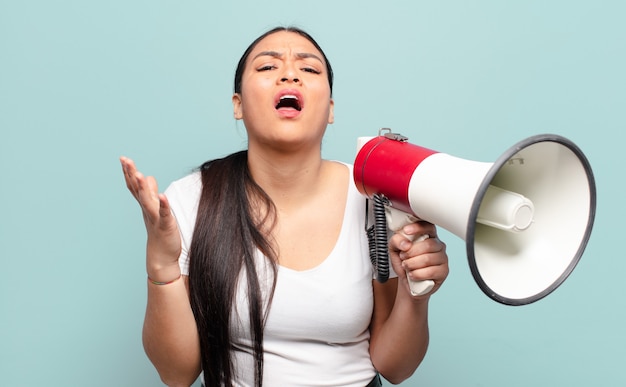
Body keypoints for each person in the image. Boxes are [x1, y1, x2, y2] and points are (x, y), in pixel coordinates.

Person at [120, 26, 449, 387]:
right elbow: (176, 373)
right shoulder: (190, 199)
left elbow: (395, 367)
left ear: (331, 110)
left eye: (309, 70)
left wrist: (415, 293)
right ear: (238, 105)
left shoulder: (372, 200)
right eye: (266, 68)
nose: (290, 74)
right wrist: (162, 264)